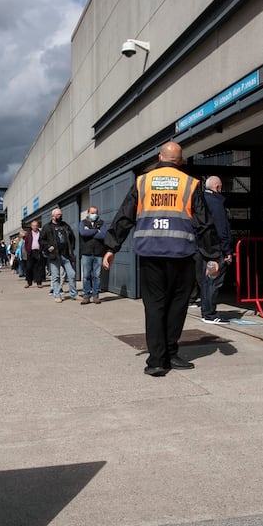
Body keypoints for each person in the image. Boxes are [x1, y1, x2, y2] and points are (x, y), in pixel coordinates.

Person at [103, 141, 221, 377]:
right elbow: (203, 223)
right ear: (181, 161)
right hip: (181, 255)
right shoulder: (191, 183)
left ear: (159, 157)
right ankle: (171, 352)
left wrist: (111, 247)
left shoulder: (142, 182)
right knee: (177, 306)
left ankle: (157, 361)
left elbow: (124, 215)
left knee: (155, 306)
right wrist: (213, 256)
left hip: (150, 255)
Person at [200, 176, 233, 324]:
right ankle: (210, 314)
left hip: (204, 247)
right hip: (216, 249)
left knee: (207, 281)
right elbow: (222, 228)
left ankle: (205, 311)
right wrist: (227, 251)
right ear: (218, 187)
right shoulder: (217, 203)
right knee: (214, 281)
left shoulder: (201, 201)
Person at [40, 208, 77, 302]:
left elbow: (72, 237)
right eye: (58, 215)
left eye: (61, 214)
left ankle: (74, 294)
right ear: (53, 216)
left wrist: (71, 248)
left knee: (72, 274)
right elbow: (41, 240)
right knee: (56, 276)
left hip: (66, 255)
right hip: (54, 255)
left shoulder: (65, 225)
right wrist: (48, 246)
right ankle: (57, 295)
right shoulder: (47, 227)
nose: (60, 216)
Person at [78, 205, 108, 305]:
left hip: (98, 253)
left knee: (97, 276)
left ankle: (95, 296)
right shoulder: (83, 223)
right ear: (88, 213)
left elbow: (103, 235)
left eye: (95, 213)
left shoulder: (102, 223)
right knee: (86, 276)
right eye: (92, 213)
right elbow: (83, 233)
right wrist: (96, 231)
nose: (94, 215)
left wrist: (89, 231)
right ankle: (86, 296)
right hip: (86, 253)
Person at [21, 220, 45, 288]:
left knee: (39, 268)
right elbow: (26, 243)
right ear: (31, 226)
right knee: (28, 268)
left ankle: (39, 282)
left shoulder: (41, 233)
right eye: (33, 226)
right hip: (31, 252)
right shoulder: (28, 234)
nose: (35, 227)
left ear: (38, 226)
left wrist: (42, 249)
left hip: (38, 252)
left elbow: (43, 241)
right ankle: (29, 282)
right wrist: (28, 251)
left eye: (36, 226)